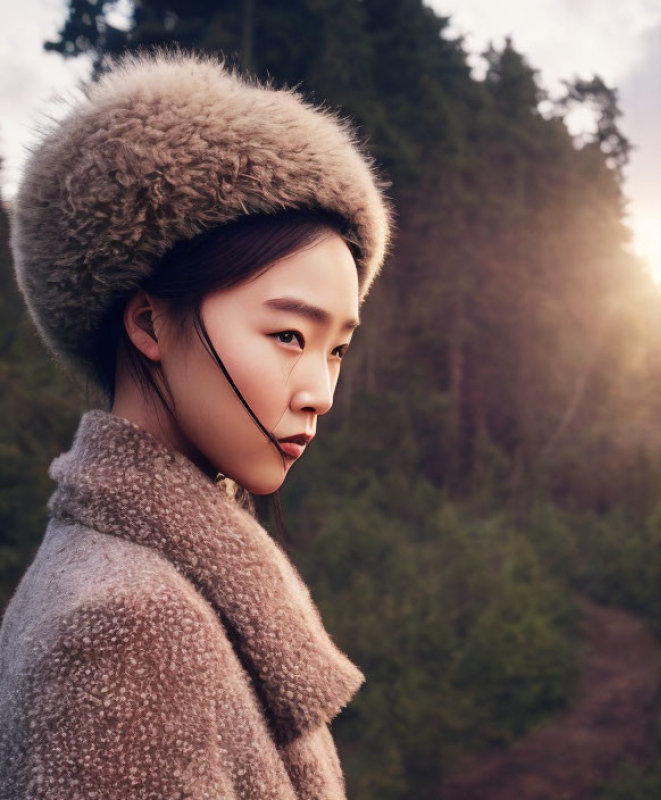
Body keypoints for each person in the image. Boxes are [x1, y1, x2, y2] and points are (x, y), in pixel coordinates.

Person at [0, 51, 391, 799]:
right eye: (287, 336)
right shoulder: (123, 627)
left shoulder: (126, 583)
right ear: (149, 322)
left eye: (337, 349)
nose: (321, 391)